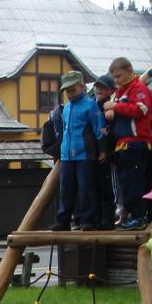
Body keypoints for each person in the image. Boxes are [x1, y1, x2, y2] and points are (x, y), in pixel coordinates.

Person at [49, 70, 105, 231]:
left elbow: (99, 128)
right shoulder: (66, 108)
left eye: (73, 90)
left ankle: (88, 220)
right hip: (67, 155)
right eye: (67, 91)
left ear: (82, 86)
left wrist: (102, 150)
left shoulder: (90, 105)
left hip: (84, 154)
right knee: (65, 189)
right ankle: (63, 220)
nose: (70, 94)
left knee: (86, 188)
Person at [103, 57, 152, 230]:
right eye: (114, 78)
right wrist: (111, 115)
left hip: (136, 142)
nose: (116, 80)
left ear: (130, 71)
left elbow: (141, 109)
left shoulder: (138, 88)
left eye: (119, 76)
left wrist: (115, 108)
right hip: (122, 143)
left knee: (134, 182)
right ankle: (130, 215)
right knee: (125, 182)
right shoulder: (120, 92)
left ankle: (139, 216)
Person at [92, 73, 117, 229]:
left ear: (110, 90)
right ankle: (97, 219)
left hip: (110, 154)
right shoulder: (92, 105)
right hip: (93, 153)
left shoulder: (113, 106)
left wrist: (109, 132)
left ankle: (108, 220)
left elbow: (118, 129)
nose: (99, 90)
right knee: (95, 187)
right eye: (97, 87)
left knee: (108, 188)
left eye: (103, 87)